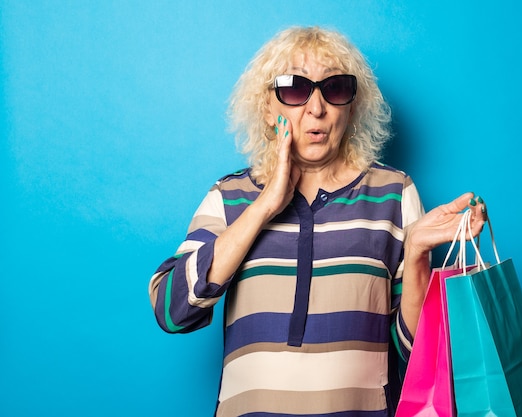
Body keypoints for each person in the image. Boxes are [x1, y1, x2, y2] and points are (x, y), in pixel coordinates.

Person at [148, 26, 486, 417]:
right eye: (294, 89)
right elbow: (171, 312)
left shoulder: (393, 193)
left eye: (335, 88)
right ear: (267, 107)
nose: (316, 108)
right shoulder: (230, 196)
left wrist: (417, 256)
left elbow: (418, 357)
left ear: (352, 107)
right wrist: (264, 207)